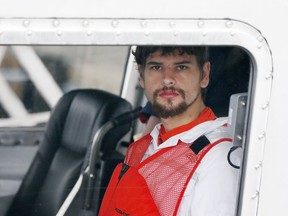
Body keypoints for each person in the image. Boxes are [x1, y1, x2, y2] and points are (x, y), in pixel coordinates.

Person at [99, 46, 242, 216]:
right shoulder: (144, 145)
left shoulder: (218, 159)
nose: (167, 79)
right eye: (156, 67)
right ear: (141, 75)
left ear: (204, 75)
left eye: (181, 67)